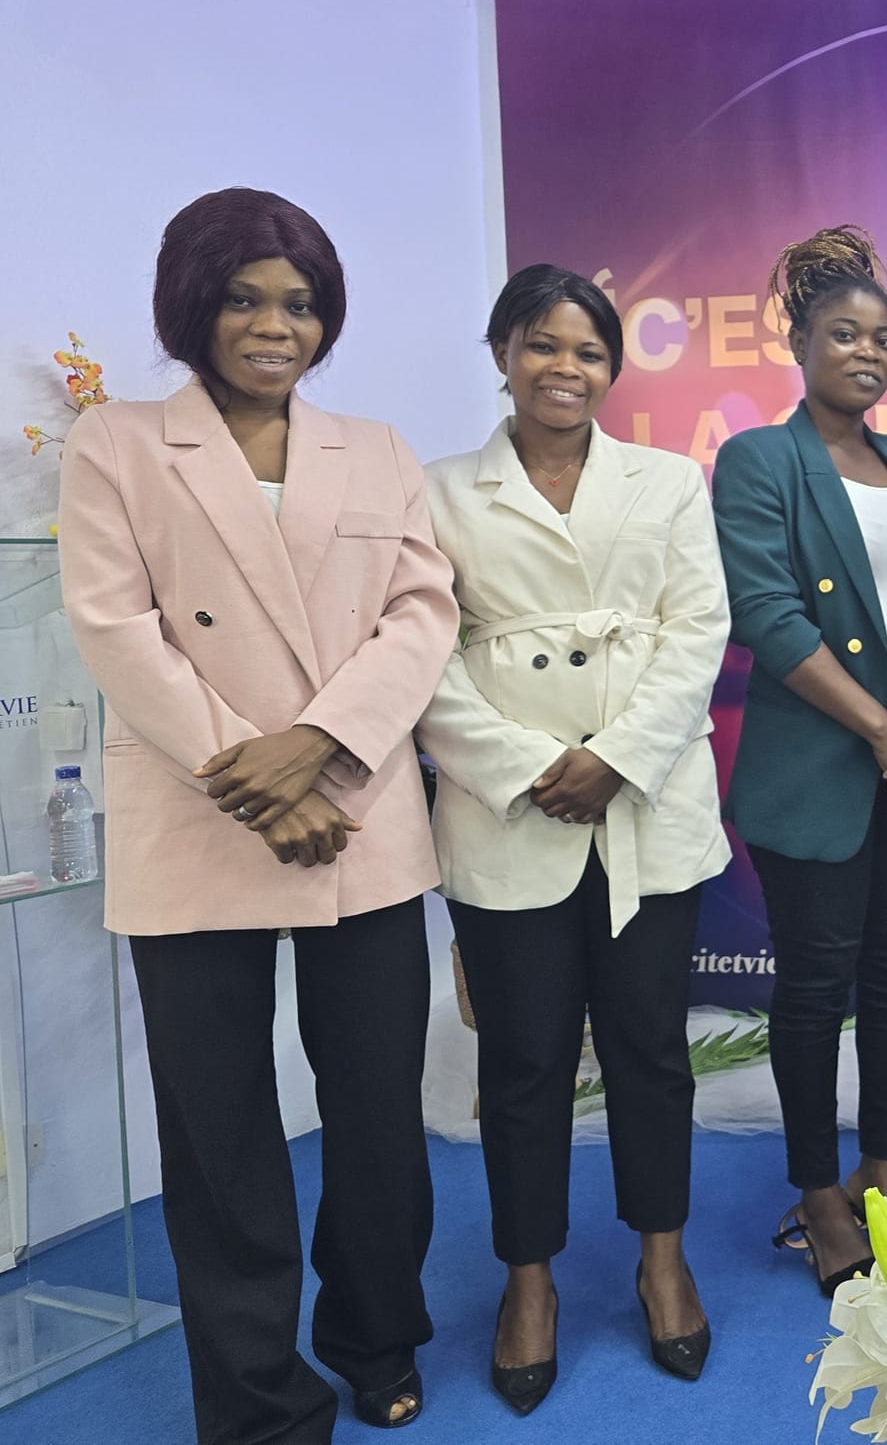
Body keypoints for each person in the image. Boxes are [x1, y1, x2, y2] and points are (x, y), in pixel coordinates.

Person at [58, 188, 457, 1441]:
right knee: (219, 1134)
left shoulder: (376, 447)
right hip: (201, 812)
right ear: (193, 303)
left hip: (355, 808)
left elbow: (421, 613)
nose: (275, 326)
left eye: (299, 303)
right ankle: (256, 1398)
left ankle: (373, 1334)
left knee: (381, 1117)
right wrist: (250, 775)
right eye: (244, 298)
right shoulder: (118, 442)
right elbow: (115, 627)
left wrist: (318, 750)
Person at [415, 265, 729, 1414]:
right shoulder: (439, 492)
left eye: (588, 351)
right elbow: (421, 653)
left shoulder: (668, 481)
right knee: (524, 1062)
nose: (565, 367)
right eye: (542, 344)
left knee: (650, 1052)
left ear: (611, 370)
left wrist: (617, 759)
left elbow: (699, 631)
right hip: (510, 812)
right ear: (502, 353)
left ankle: (662, 1261)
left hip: (645, 805)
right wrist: (527, 767)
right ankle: (529, 1282)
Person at [712, 226, 887, 1296]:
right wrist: (881, 731)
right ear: (800, 344)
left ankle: (882, 1177)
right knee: (814, 991)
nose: (867, 352)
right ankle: (818, 1196)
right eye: (844, 334)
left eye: (881, 337)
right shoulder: (759, 460)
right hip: (818, 774)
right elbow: (766, 616)